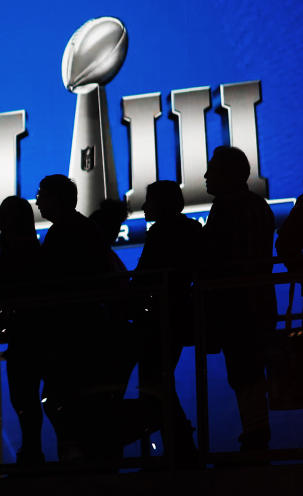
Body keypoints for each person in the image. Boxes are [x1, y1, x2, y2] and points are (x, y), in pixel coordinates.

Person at [35, 174, 115, 463]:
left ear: (56, 198)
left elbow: (50, 281)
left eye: (42, 193)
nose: (38, 200)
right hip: (86, 331)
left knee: (65, 402)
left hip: (72, 336)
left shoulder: (63, 232)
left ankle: (78, 460)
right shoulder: (83, 228)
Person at [202, 146, 275, 452]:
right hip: (256, 304)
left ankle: (255, 435)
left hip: (238, 307)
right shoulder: (257, 205)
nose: (206, 176)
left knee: (244, 372)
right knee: (250, 372)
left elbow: (217, 255)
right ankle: (256, 431)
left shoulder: (228, 208)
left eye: (213, 170)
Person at [131, 180, 200, 461]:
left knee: (153, 383)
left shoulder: (162, 232)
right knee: (160, 381)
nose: (145, 206)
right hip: (178, 315)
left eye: (149, 201)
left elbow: (146, 274)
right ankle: (181, 445)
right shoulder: (191, 229)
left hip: (161, 319)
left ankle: (178, 447)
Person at [0, 196, 45, 465]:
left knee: (24, 398)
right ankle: (33, 452)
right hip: (35, 333)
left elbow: (14, 285)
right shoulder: (34, 248)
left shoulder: (15, 251)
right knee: (29, 399)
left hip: (24, 335)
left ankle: (31, 453)